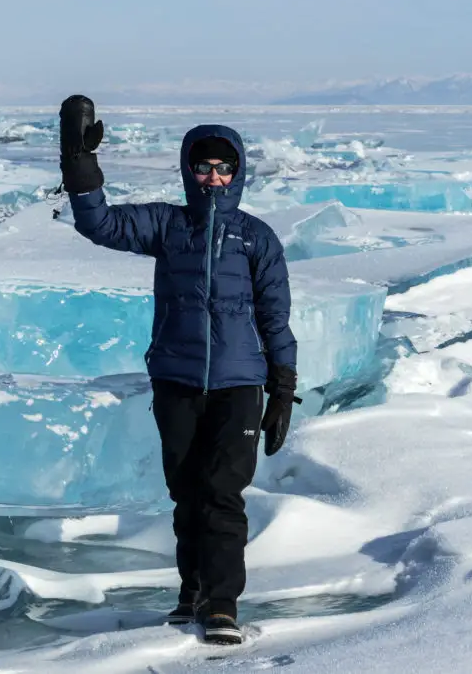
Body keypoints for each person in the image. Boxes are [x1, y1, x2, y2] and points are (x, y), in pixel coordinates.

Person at [58, 95, 299, 646]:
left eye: (223, 167)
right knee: (187, 492)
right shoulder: (168, 225)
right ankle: (190, 592)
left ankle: (221, 605)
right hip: (177, 380)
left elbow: (275, 318)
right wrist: (80, 167)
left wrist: (282, 390)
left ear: (237, 172)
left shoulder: (256, 237)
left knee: (222, 495)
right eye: (203, 165)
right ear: (189, 169)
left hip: (239, 383)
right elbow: (99, 224)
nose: (213, 176)